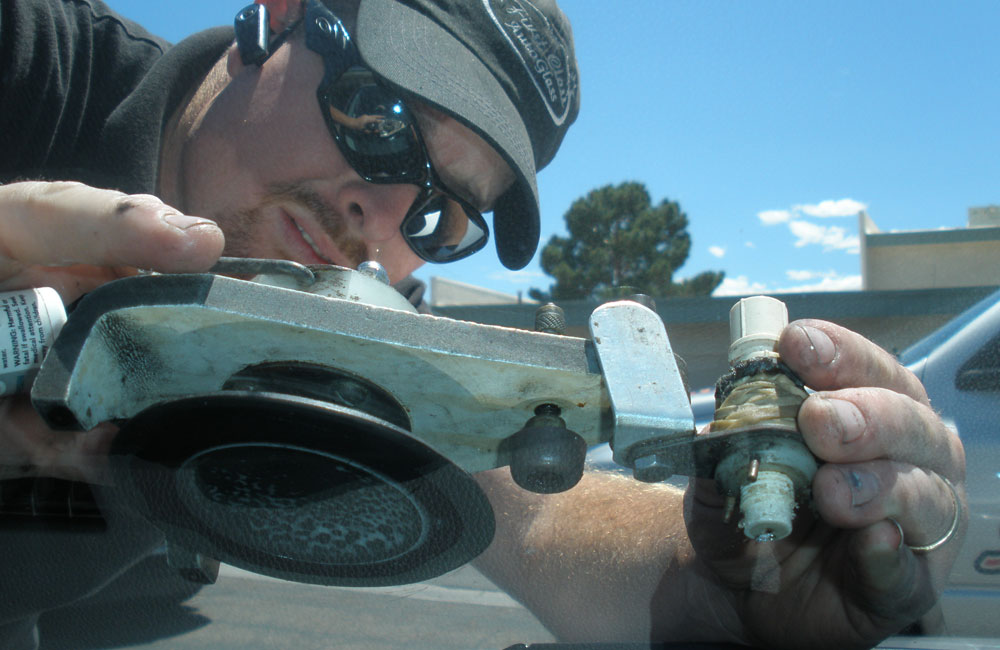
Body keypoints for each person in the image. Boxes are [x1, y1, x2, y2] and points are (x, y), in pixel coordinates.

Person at [0, 1, 966, 649]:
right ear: (283, 15)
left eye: (437, 214)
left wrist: (718, 592)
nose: (376, 215)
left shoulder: (328, 334)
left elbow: (522, 502)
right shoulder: (29, 61)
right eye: (375, 115)